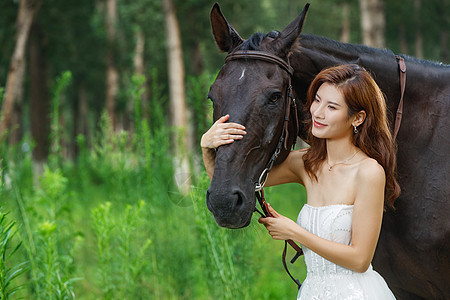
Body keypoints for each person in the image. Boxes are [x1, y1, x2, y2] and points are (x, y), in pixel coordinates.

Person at [201, 64, 400, 299]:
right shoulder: (305, 163)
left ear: (357, 118)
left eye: (332, 107)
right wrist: (207, 145)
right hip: (312, 291)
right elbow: (229, 180)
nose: (317, 112)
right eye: (317, 100)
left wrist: (295, 232)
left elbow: (359, 260)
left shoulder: (368, 172)